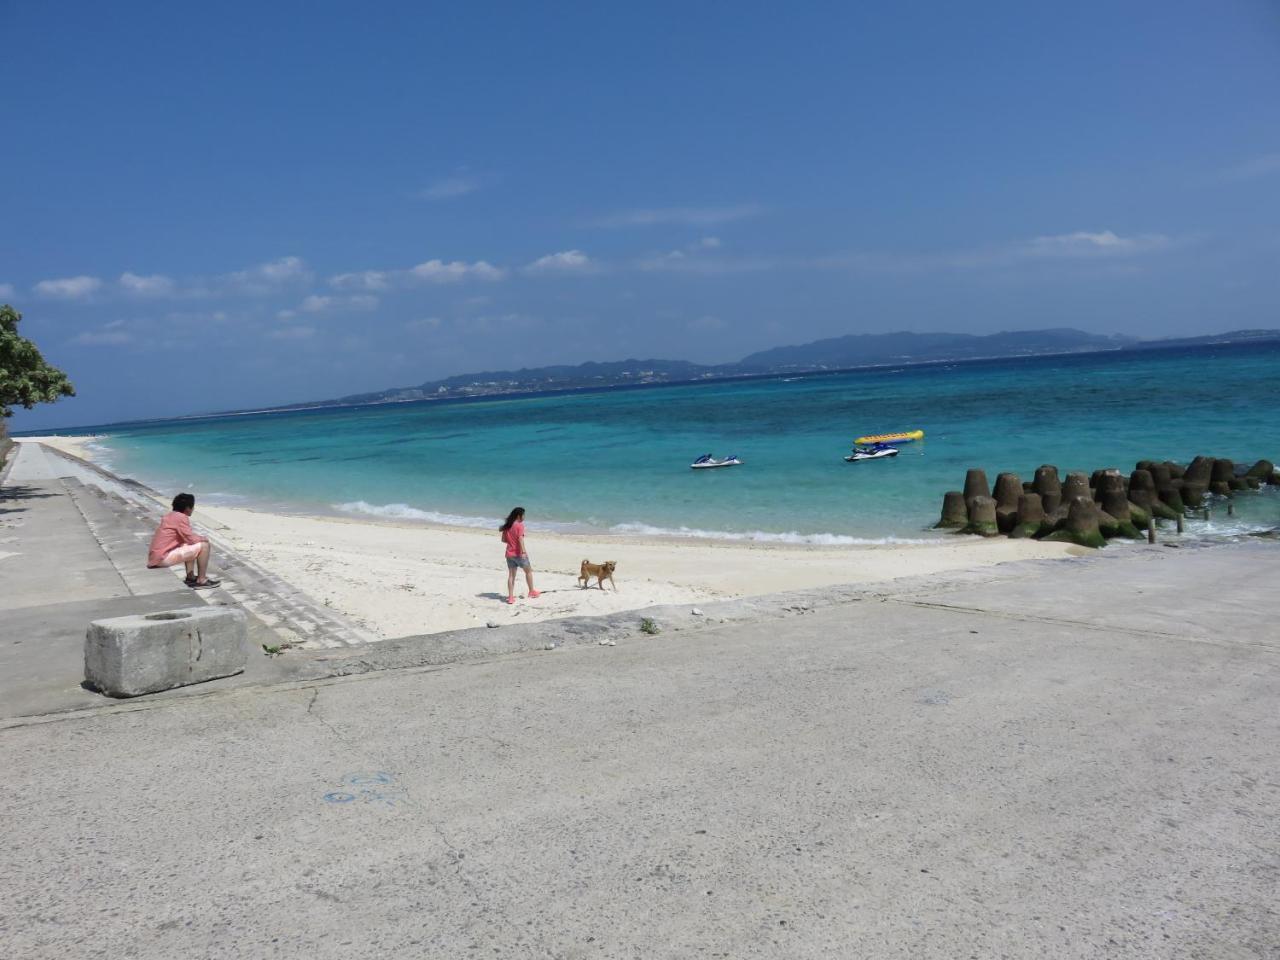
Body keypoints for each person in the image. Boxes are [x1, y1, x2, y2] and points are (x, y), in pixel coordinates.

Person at [147, 493, 220, 589]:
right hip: (162, 558)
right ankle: (202, 580)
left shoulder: (170, 516)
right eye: (192, 507)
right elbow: (191, 539)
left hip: (155, 557)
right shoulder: (181, 517)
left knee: (187, 544)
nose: (193, 509)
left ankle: (190, 577)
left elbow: (187, 539)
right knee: (204, 545)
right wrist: (204, 538)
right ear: (187, 508)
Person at [499, 506, 539, 605]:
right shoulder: (519, 525)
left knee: (511, 576)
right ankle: (531, 591)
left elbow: (503, 540)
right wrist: (524, 552)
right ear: (518, 516)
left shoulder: (507, 525)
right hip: (519, 554)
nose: (524, 517)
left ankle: (511, 597)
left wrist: (511, 541)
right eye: (523, 515)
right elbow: (521, 539)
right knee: (528, 572)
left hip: (509, 554)